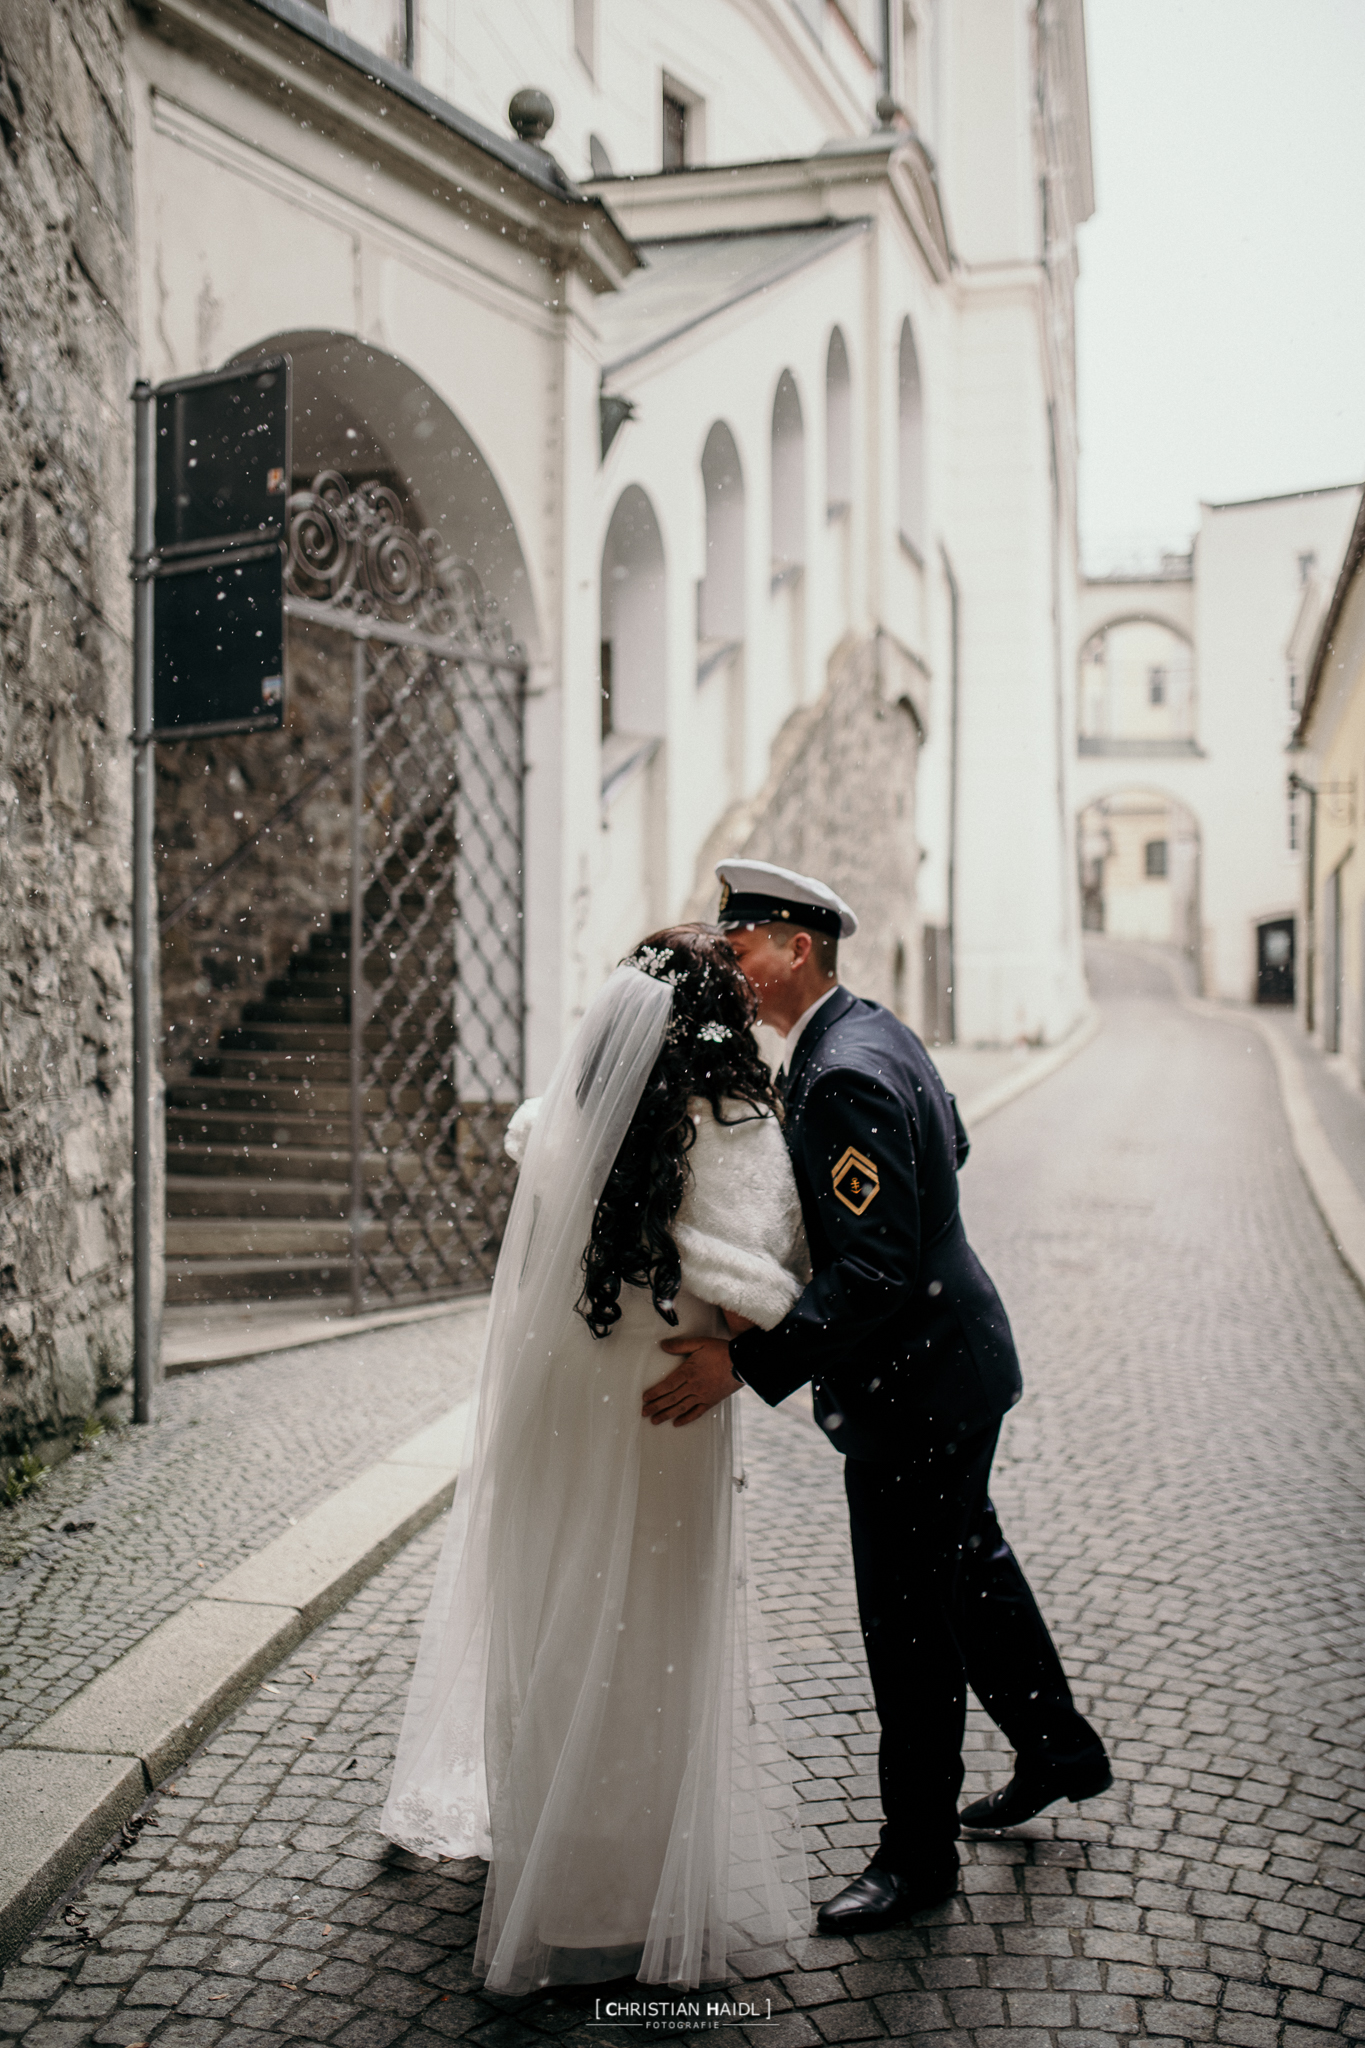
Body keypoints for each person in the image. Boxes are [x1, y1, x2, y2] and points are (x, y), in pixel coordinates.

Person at [643, 860, 1111, 1933]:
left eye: (743, 944)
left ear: (795, 948)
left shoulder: (841, 1070)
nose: (733, 966)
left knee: (908, 1625)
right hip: (953, 1364)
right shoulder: (873, 1030)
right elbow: (950, 1141)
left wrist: (748, 1365)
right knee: (969, 1569)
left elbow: (876, 1265)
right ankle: (1057, 1747)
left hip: (921, 1388)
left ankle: (918, 1859)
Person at [381, 926, 810, 1991]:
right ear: (717, 1025)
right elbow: (767, 1284)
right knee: (654, 1629)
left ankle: (550, 1851)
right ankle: (626, 1886)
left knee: (556, 1599)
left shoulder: (568, 1118)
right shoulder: (736, 1125)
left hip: (564, 1383)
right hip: (667, 1392)